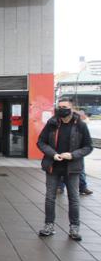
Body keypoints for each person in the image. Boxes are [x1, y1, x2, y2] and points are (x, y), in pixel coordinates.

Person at [37, 98, 92, 241]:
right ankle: (49, 226)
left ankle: (74, 228)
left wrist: (72, 155)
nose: (62, 109)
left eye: (65, 107)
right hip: (53, 166)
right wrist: (53, 154)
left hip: (72, 168)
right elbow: (41, 142)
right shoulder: (52, 123)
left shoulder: (80, 125)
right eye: (60, 106)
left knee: (73, 198)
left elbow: (88, 146)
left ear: (71, 108)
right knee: (50, 198)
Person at [58, 110, 92, 195]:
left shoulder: (81, 124)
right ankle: (60, 187)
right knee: (62, 170)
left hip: (77, 152)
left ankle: (83, 187)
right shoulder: (65, 123)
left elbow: (87, 144)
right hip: (65, 152)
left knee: (81, 171)